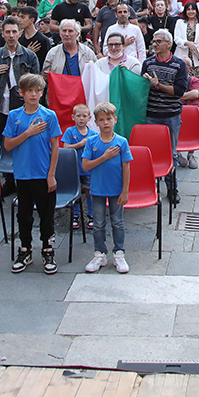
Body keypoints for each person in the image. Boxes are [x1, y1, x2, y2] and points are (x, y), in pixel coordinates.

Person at [3, 73, 62, 274]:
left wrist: (51, 174)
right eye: (29, 91)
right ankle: (25, 249)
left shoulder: (49, 116)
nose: (34, 94)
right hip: (22, 174)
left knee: (46, 215)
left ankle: (47, 249)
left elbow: (55, 147)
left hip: (43, 174)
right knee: (24, 215)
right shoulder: (14, 116)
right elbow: (8, 145)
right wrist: (27, 133)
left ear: (42, 92)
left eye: (38, 91)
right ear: (21, 93)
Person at [81, 101, 133, 273]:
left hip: (116, 190)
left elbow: (126, 167)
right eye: (101, 119)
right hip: (97, 190)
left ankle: (119, 253)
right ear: (95, 122)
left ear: (115, 119)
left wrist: (125, 190)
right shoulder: (91, 142)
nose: (105, 123)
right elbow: (85, 166)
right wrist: (104, 157)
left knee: (117, 223)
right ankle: (99, 254)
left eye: (108, 119)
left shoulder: (122, 142)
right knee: (98, 223)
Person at [142, 29, 189, 193]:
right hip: (151, 115)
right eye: (153, 42)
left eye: (158, 41)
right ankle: (150, 187)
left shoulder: (179, 64)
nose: (154, 44)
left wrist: (158, 86)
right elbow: (141, 88)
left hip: (171, 115)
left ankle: (171, 188)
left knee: (171, 154)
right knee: (150, 154)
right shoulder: (148, 64)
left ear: (169, 44)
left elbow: (179, 91)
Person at [0, 15, 41, 135]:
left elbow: (37, 82)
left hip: (23, 105)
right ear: (2, 34)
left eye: (14, 32)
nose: (11, 35)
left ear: (20, 33)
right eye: (7, 32)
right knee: (3, 141)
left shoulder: (29, 55)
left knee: (22, 139)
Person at [173, 1, 199, 85]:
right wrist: (187, 43)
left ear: (196, 11)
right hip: (184, 58)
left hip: (198, 57)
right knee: (183, 84)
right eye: (188, 9)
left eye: (193, 9)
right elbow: (176, 39)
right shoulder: (180, 22)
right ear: (185, 11)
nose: (191, 12)